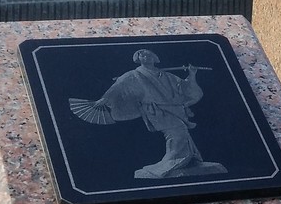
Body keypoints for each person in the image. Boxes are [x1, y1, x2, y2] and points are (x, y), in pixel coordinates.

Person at [69, 48, 225, 179]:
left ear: (154, 58)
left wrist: (192, 74)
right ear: (138, 59)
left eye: (148, 54)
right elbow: (118, 86)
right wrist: (105, 99)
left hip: (174, 108)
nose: (146, 57)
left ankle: (190, 161)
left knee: (182, 130)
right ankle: (172, 162)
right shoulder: (133, 75)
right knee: (176, 131)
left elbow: (184, 88)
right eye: (142, 55)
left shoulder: (166, 75)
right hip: (155, 110)